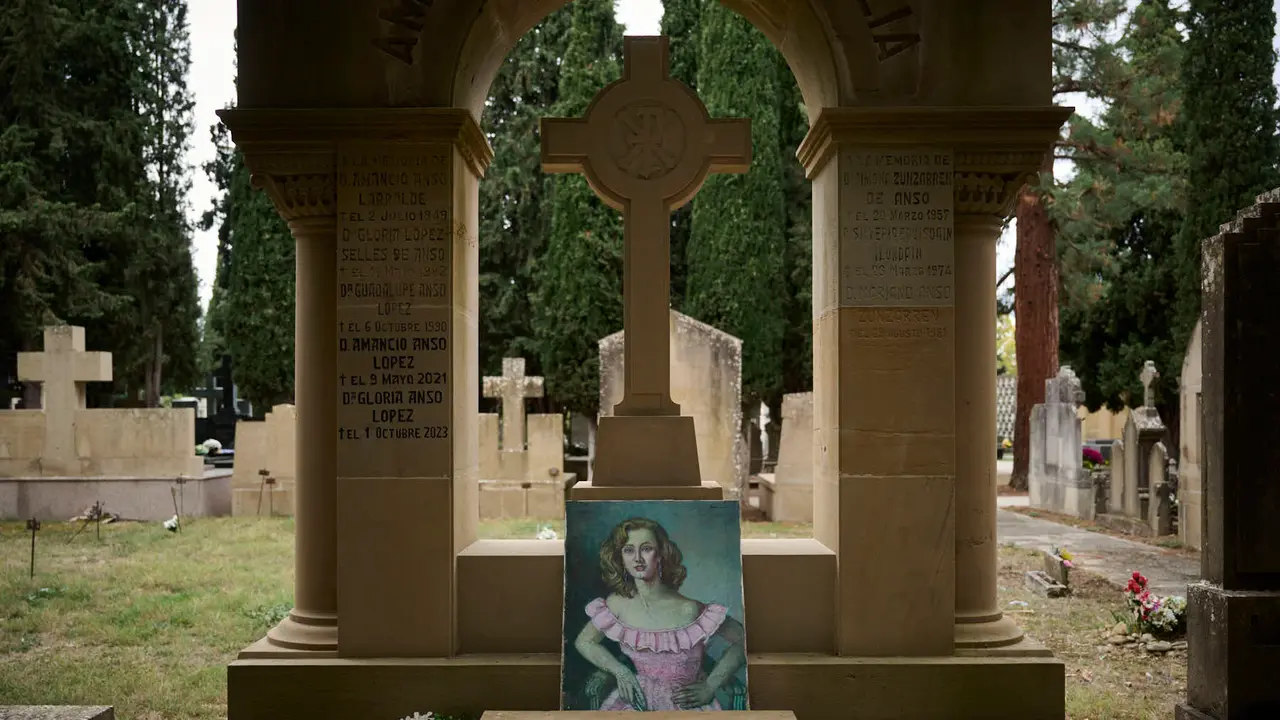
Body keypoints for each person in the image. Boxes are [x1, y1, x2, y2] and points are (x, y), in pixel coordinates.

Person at [573, 517, 746, 711]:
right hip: (634, 704)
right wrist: (620, 671)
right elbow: (584, 642)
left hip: (685, 706)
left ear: (661, 554)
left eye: (646, 549)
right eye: (629, 550)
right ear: (620, 557)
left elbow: (743, 641)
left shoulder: (689, 609)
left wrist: (710, 685)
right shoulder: (617, 604)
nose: (637, 558)